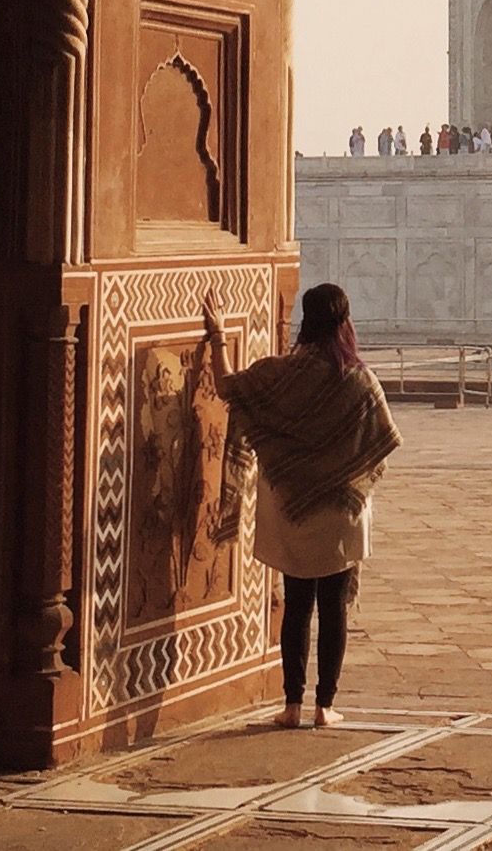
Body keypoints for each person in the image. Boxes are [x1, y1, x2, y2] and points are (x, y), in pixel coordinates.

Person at [206, 282, 401, 731]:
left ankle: (291, 705)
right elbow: (381, 442)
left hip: (290, 507)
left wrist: (218, 336)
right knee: (333, 608)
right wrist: (345, 472)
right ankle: (323, 707)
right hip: (341, 510)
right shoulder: (359, 379)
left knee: (296, 604)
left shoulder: (280, 374)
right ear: (344, 322)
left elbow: (227, 386)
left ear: (305, 321)